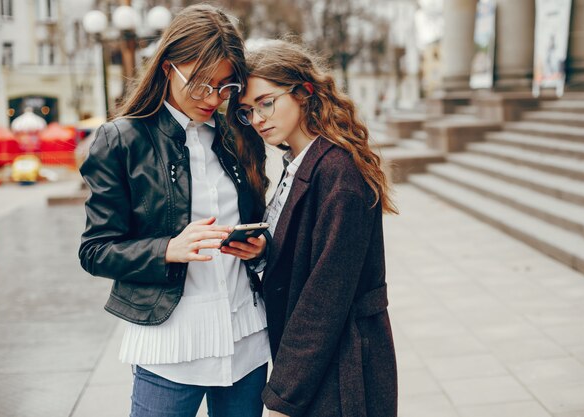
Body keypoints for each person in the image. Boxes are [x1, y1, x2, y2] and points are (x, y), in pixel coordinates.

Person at [78, 5, 271, 417]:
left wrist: (259, 245)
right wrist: (167, 248)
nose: (213, 99)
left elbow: (263, 219)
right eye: (201, 84)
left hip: (245, 338)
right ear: (168, 67)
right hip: (171, 342)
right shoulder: (121, 140)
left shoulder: (239, 135)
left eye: (224, 87)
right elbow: (95, 251)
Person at [228, 40, 398, 417]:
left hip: (342, 367)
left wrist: (283, 397)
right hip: (322, 366)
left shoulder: (338, 172)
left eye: (265, 102)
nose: (257, 119)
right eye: (246, 111)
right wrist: (263, 253)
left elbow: (326, 294)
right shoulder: (299, 163)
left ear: (304, 92)